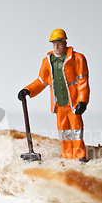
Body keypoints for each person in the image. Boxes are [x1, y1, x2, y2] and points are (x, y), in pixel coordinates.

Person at [18, 29, 90, 162]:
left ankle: (81, 155)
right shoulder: (47, 61)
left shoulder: (77, 58)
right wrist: (28, 90)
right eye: (54, 43)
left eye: (60, 43)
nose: (57, 46)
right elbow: (41, 81)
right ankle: (67, 155)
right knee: (64, 132)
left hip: (73, 103)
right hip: (59, 105)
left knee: (77, 130)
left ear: (65, 43)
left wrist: (83, 101)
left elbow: (82, 82)